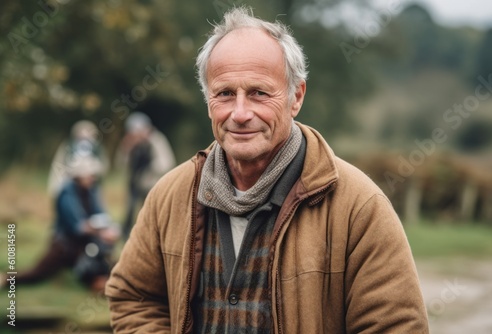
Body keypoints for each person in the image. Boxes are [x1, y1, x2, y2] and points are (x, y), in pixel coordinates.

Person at [105, 7, 429, 333]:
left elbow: (397, 327)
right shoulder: (170, 195)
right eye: (225, 94)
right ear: (208, 101)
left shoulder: (359, 207)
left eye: (259, 93)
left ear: (296, 97)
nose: (241, 113)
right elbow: (134, 297)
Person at [16, 155, 119, 292]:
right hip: (63, 246)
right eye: (89, 174)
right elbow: (77, 227)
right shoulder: (66, 193)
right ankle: (5, 279)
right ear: (79, 175)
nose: (92, 177)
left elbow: (100, 214)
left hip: (85, 244)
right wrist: (101, 232)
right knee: (36, 274)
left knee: (111, 264)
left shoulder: (91, 190)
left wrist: (110, 229)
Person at [115, 112, 176, 239]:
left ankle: (152, 236)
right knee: (130, 210)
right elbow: (120, 164)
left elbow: (166, 163)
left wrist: (148, 172)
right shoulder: (130, 143)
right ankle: (127, 236)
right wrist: (127, 148)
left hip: (151, 184)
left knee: (151, 212)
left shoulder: (156, 140)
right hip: (134, 183)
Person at [47, 120, 109, 198]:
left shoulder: (97, 149)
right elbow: (58, 168)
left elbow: (103, 167)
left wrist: (90, 173)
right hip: (71, 186)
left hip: (92, 189)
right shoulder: (67, 148)